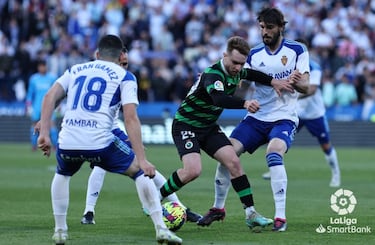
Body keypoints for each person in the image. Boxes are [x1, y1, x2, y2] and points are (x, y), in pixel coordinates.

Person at [36, 34, 182, 245]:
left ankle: (60, 230)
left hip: (68, 140)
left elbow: (50, 96)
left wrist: (44, 132)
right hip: (100, 141)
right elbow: (130, 118)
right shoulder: (125, 76)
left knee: (63, 173)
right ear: (122, 54)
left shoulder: (75, 70)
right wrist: (142, 158)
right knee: (140, 172)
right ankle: (161, 228)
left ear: (97, 54)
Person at [159, 35, 295, 230]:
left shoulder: (238, 71)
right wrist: (245, 103)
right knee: (193, 171)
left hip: (208, 126)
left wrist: (274, 82)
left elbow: (252, 74)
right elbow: (218, 99)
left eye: (241, 64)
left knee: (234, 162)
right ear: (224, 55)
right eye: (234, 62)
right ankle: (156, 199)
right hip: (186, 125)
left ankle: (250, 214)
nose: (238, 68)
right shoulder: (213, 74)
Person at [198, 7, 309, 232]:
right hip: (256, 117)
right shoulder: (254, 54)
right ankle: (218, 208)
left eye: (269, 28)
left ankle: (280, 217)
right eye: (261, 27)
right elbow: (241, 90)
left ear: (280, 27)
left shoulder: (297, 49)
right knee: (228, 155)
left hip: (283, 117)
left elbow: (306, 87)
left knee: (274, 152)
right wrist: (218, 88)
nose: (264, 32)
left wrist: (293, 82)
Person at [81, 47, 202, 225]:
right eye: (121, 63)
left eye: (126, 64)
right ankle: (88, 211)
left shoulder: (120, 79)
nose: (124, 67)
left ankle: (179, 208)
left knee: (140, 166)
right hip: (93, 130)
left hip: (111, 129)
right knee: (105, 165)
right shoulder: (97, 75)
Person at [262, 38, 341, 188]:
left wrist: (291, 93)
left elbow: (312, 90)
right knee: (278, 138)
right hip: (295, 112)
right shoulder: (284, 66)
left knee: (325, 145)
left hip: (314, 113)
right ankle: (273, 169)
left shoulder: (314, 67)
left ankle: (336, 174)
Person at [26, 59, 58, 151]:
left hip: (49, 106)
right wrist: (28, 105)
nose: (42, 68)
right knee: (34, 125)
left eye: (43, 66)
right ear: (38, 67)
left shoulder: (52, 78)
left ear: (46, 67)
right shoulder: (34, 79)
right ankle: (34, 146)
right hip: (37, 106)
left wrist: (58, 104)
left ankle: (55, 146)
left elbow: (56, 92)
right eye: (40, 66)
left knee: (51, 125)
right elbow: (30, 93)